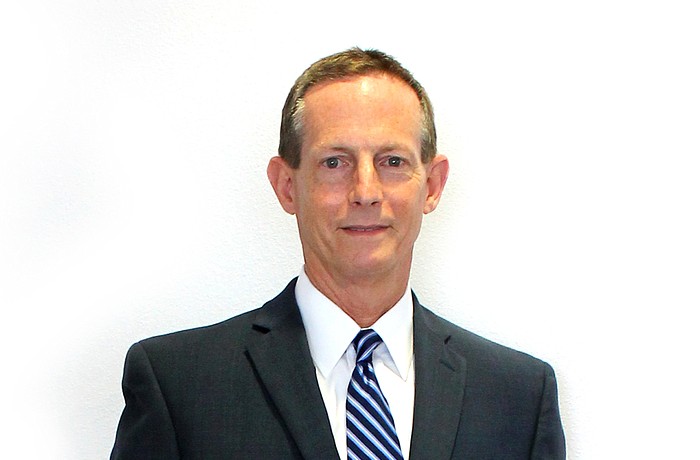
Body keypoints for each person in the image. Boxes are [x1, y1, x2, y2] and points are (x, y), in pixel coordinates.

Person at [111, 48, 566, 459]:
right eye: (335, 162)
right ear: (286, 186)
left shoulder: (518, 398)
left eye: (392, 162)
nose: (365, 191)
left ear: (432, 185)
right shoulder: (180, 388)